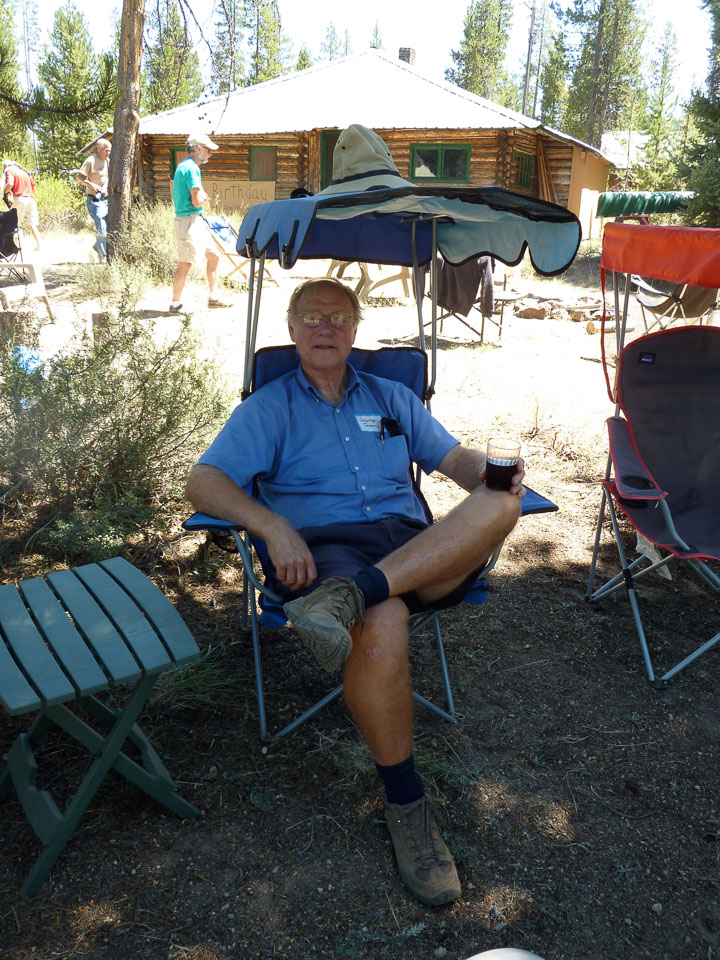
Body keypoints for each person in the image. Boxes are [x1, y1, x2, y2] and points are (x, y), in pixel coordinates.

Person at [185, 276, 525, 908]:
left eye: (338, 318)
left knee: (502, 503)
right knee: (386, 619)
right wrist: (272, 525)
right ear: (290, 330)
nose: (325, 328)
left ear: (355, 330)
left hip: (414, 548)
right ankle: (407, 807)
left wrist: (490, 471)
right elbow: (203, 482)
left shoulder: (393, 396)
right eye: (311, 317)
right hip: (327, 546)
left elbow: (452, 461)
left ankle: (353, 596)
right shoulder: (269, 408)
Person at [169, 133, 230, 313]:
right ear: (198, 149)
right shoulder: (192, 168)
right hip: (189, 221)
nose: (210, 154)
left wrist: (200, 197)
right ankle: (175, 304)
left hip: (194, 220)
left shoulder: (185, 166)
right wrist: (202, 198)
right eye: (208, 150)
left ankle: (213, 297)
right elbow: (196, 201)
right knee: (185, 263)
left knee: (213, 256)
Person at [76, 138, 111, 260]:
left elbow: (108, 177)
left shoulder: (108, 161)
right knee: (101, 227)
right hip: (95, 201)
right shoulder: (91, 160)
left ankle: (98, 246)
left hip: (107, 199)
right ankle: (104, 257)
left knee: (109, 227)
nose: (108, 153)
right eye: (106, 150)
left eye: (110, 151)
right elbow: (79, 177)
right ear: (99, 149)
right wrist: (92, 185)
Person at [1, 160, 41, 252]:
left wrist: (5, 192)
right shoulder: (25, 171)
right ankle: (39, 246)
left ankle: (16, 248)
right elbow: (33, 188)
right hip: (31, 199)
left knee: (13, 225)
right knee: (33, 225)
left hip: (19, 199)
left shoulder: (10, 170)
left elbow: (10, 184)